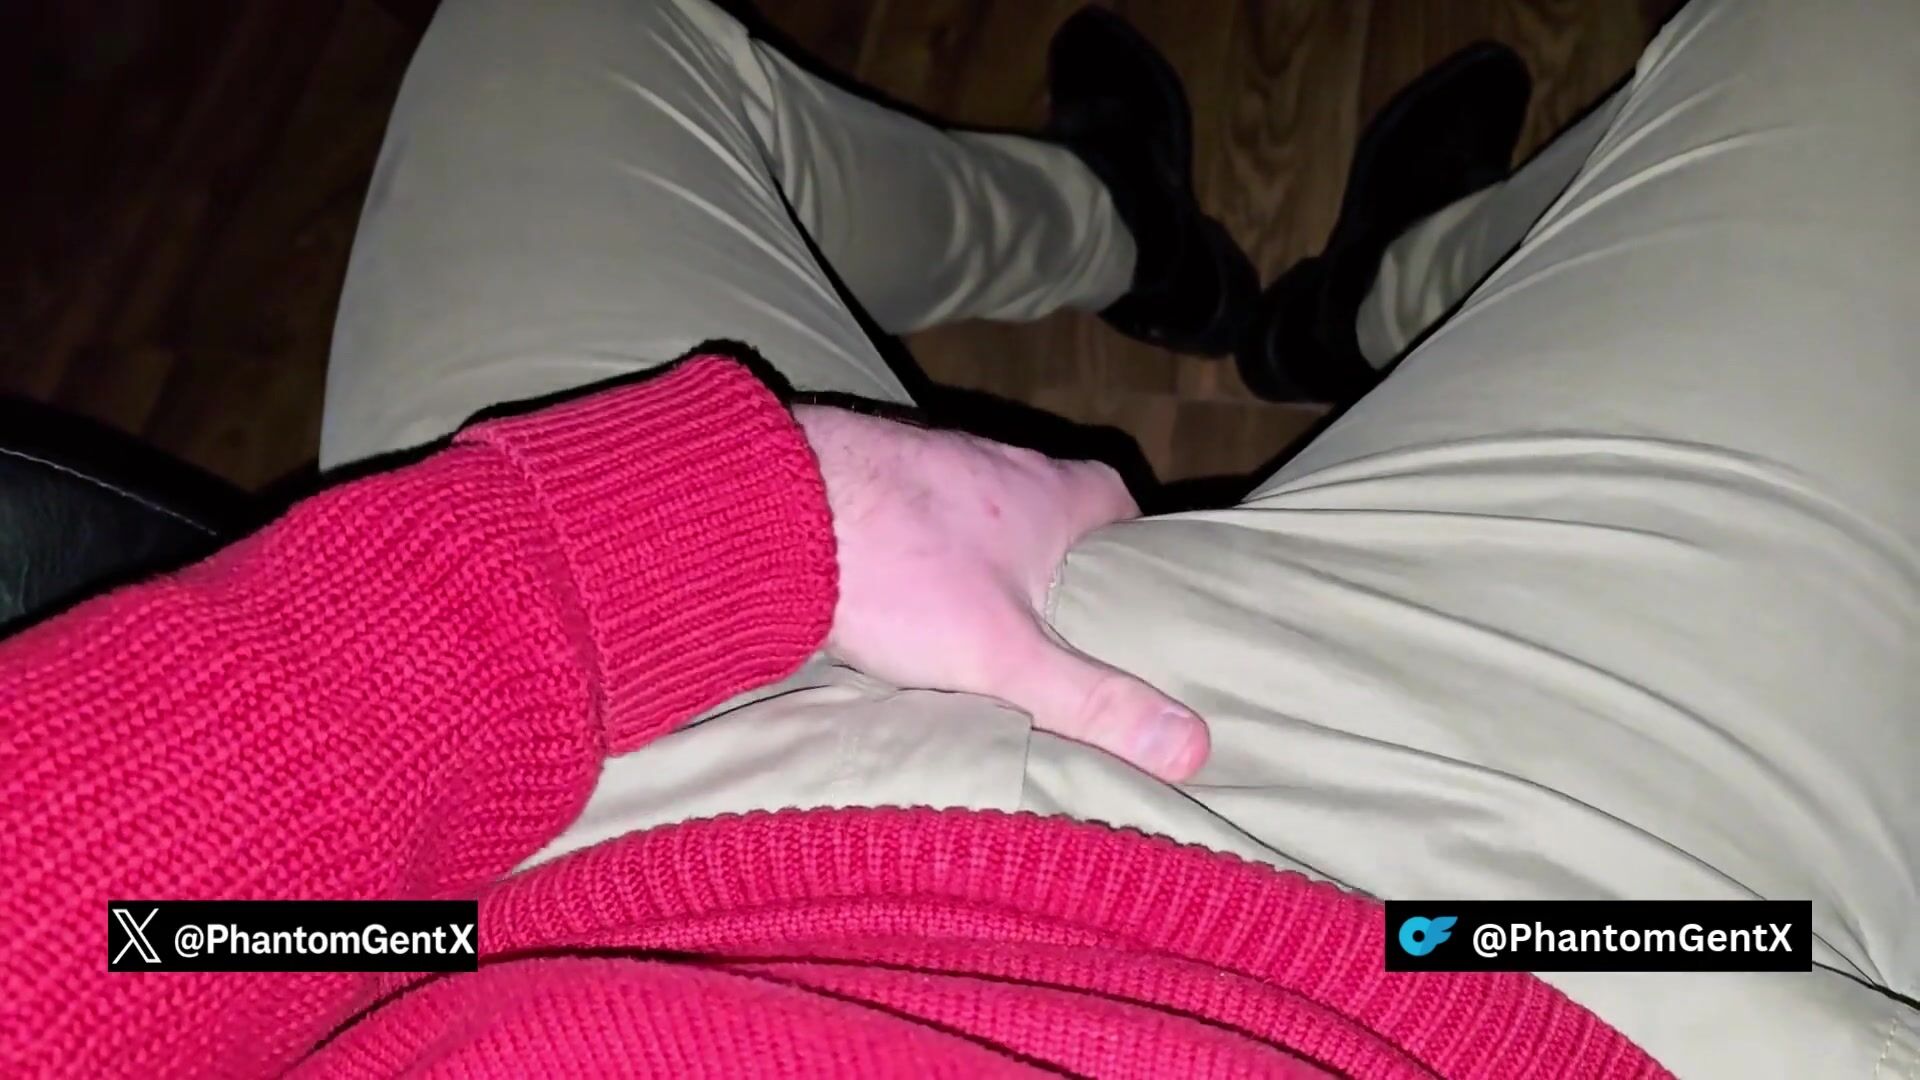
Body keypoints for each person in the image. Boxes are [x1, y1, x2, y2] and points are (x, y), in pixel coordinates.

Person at [2, 0, 1914, 1075]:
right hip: (1532, 953)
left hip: (511, 905)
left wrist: (666, 535)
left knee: (563, 28)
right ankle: (1397, 289)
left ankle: (1125, 232)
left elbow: (112, 927)